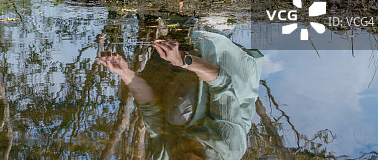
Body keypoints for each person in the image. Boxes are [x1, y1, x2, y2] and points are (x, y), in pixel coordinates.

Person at [96, 30, 263, 160]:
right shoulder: (228, 146)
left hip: (188, 107)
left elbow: (151, 110)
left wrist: (125, 72)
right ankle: (217, 33)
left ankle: (178, 36)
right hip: (233, 83)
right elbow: (222, 83)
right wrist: (182, 60)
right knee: (181, 113)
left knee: (175, 113)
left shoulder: (164, 157)